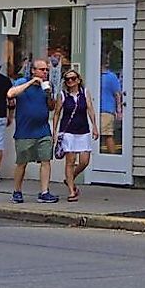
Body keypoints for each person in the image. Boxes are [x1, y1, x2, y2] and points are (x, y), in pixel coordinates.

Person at [7, 58, 57, 203]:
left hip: (43, 129)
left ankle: (44, 191)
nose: (45, 72)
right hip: (25, 131)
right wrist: (30, 83)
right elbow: (10, 94)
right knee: (22, 162)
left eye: (47, 70)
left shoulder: (48, 85)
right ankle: (17, 191)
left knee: (46, 160)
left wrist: (49, 95)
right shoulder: (22, 82)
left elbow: (51, 107)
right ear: (33, 70)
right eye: (42, 70)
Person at [55, 67, 96, 201]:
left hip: (83, 130)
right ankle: (72, 191)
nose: (70, 81)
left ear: (78, 80)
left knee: (84, 161)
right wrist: (55, 131)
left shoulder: (84, 93)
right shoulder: (62, 95)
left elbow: (90, 109)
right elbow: (57, 113)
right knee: (70, 161)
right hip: (68, 131)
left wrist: (94, 126)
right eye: (67, 79)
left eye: (73, 78)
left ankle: (71, 177)